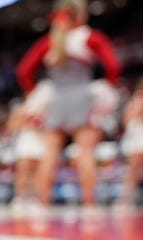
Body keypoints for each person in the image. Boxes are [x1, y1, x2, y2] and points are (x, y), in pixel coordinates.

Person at [15, 0, 122, 214]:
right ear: (81, 15)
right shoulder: (90, 37)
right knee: (85, 154)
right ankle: (89, 205)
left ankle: (42, 204)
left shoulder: (48, 41)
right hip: (83, 96)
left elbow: (23, 72)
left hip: (56, 99)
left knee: (49, 156)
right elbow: (114, 65)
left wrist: (34, 92)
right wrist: (106, 87)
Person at [5, 80, 51, 216]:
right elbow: (10, 127)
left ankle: (34, 198)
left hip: (41, 141)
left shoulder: (46, 109)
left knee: (38, 173)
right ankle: (19, 198)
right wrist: (24, 121)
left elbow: (52, 128)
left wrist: (40, 124)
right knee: (23, 171)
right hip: (26, 141)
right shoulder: (21, 109)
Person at [116, 70, 143, 210]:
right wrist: (141, 114)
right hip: (139, 135)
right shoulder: (139, 98)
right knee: (133, 169)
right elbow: (128, 117)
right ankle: (126, 200)